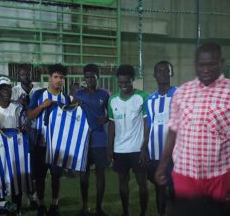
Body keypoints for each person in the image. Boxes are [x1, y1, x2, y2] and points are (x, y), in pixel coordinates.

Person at [156, 43, 230, 211]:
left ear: (221, 62)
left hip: (219, 175)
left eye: (211, 64)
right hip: (185, 173)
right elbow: (173, 131)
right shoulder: (182, 92)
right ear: (195, 64)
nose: (206, 70)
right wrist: (163, 164)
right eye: (201, 65)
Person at [27, 64, 70, 216]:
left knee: (56, 175)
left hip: (58, 144)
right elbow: (29, 115)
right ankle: (40, 204)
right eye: (56, 77)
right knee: (40, 176)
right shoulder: (39, 94)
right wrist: (42, 107)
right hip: (41, 143)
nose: (59, 80)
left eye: (62, 78)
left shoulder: (65, 97)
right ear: (49, 78)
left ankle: (54, 203)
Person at [108, 64, 149, 216]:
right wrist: (110, 148)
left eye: (127, 82)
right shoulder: (112, 100)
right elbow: (112, 125)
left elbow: (147, 124)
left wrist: (144, 147)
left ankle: (143, 213)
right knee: (122, 182)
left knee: (142, 183)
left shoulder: (143, 97)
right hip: (119, 150)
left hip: (138, 149)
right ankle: (125, 212)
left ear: (133, 80)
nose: (123, 85)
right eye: (120, 82)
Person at [0, 76, 29, 214]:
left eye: (8, 88)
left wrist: (25, 127)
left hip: (16, 147)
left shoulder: (18, 107)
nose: (5, 91)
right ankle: (2, 209)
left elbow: (24, 125)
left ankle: (17, 208)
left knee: (17, 177)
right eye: (2, 88)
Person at [73, 64, 110, 216]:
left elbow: (111, 114)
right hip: (83, 141)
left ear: (97, 77)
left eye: (92, 77)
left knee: (100, 174)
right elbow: (71, 112)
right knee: (84, 174)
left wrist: (106, 118)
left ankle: (99, 207)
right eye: (86, 77)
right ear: (84, 78)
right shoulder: (78, 95)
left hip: (100, 140)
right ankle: (85, 206)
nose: (89, 79)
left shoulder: (105, 94)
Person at [142, 61, 176, 216]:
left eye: (166, 70)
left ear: (172, 73)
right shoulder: (150, 99)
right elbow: (149, 125)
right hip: (155, 153)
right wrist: (144, 147)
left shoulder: (179, 95)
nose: (163, 73)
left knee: (176, 189)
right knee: (159, 188)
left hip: (176, 154)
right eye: (159, 71)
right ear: (154, 75)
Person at [11, 65, 41, 209]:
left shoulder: (38, 89)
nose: (26, 77)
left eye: (28, 74)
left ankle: (32, 198)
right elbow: (8, 106)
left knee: (32, 166)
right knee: (20, 166)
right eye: (23, 75)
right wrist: (18, 102)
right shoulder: (14, 91)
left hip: (34, 131)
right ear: (19, 76)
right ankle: (18, 198)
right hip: (19, 132)